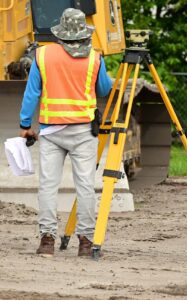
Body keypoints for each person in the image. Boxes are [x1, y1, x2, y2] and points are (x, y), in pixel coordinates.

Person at [19, 8, 112, 257]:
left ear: (60, 32)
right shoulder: (95, 58)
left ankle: (47, 241)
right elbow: (104, 89)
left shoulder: (42, 55)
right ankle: (85, 242)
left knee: (48, 186)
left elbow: (32, 94)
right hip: (84, 132)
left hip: (51, 131)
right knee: (85, 186)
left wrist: (25, 124)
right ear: (83, 32)